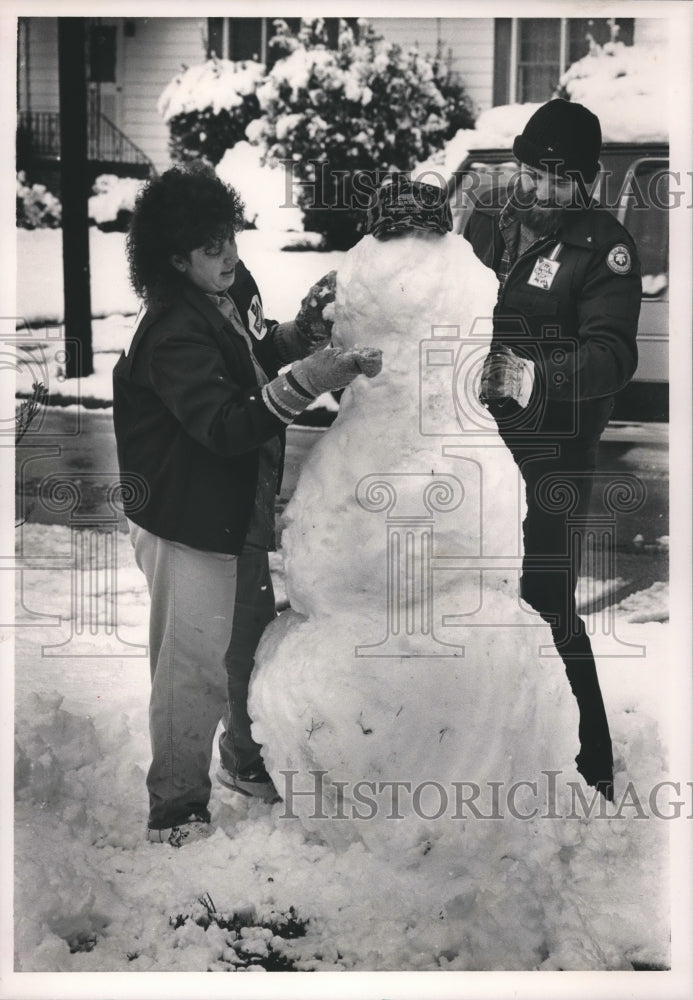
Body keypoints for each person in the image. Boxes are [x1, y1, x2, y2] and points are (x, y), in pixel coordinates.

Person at [112, 165, 382, 846]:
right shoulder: (172, 331)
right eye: (210, 248)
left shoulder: (234, 289)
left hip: (236, 512)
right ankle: (175, 806)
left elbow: (256, 357)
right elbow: (226, 424)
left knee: (247, 644)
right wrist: (308, 379)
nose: (229, 255)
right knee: (191, 665)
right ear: (175, 261)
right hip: (185, 521)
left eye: (229, 237)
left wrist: (302, 334)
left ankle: (244, 759)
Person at [464, 99, 642, 801]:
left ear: (586, 181)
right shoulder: (489, 223)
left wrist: (540, 374)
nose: (541, 191)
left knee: (544, 598)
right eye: (533, 174)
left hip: (554, 455)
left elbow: (613, 355)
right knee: (477, 593)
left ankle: (591, 764)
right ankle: (494, 743)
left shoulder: (604, 248)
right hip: (483, 444)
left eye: (558, 181)